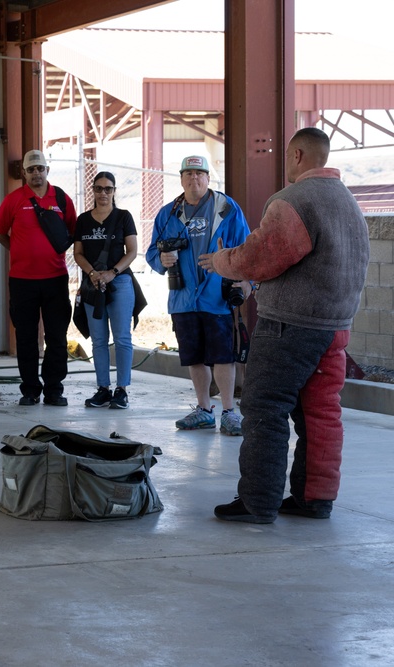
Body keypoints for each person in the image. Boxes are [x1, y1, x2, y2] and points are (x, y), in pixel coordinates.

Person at [201, 128, 370, 523]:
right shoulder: (349, 203)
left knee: (264, 407)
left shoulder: (294, 200)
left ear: (296, 156)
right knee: (321, 411)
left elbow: (260, 258)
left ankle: (258, 501)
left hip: (290, 326)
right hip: (335, 327)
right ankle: (315, 499)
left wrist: (223, 261)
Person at [145, 155, 251, 435]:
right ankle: (204, 409)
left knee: (223, 356)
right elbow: (152, 253)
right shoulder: (168, 213)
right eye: (189, 174)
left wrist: (246, 282)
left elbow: (247, 247)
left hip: (216, 296)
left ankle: (229, 412)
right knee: (193, 357)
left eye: (200, 174)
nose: (194, 179)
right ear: (181, 179)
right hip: (182, 298)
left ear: (208, 178)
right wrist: (162, 259)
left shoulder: (227, 209)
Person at [0, 149, 76, 406]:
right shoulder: (14, 199)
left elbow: (72, 231)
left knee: (56, 336)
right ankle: (30, 389)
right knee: (26, 337)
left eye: (40, 168)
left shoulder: (61, 199)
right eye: (31, 170)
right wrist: (18, 250)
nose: (36, 173)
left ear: (47, 170)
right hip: (22, 281)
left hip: (55, 278)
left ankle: (54, 389)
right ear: (25, 173)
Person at [72, 171, 138, 409]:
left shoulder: (123, 217)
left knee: (122, 338)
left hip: (119, 283)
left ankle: (121, 390)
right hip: (93, 285)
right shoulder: (83, 220)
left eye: (108, 189)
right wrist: (92, 274)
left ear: (114, 191)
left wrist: (113, 273)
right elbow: (77, 252)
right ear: (93, 190)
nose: (103, 193)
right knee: (98, 340)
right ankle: (103, 389)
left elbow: (132, 251)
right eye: (98, 188)